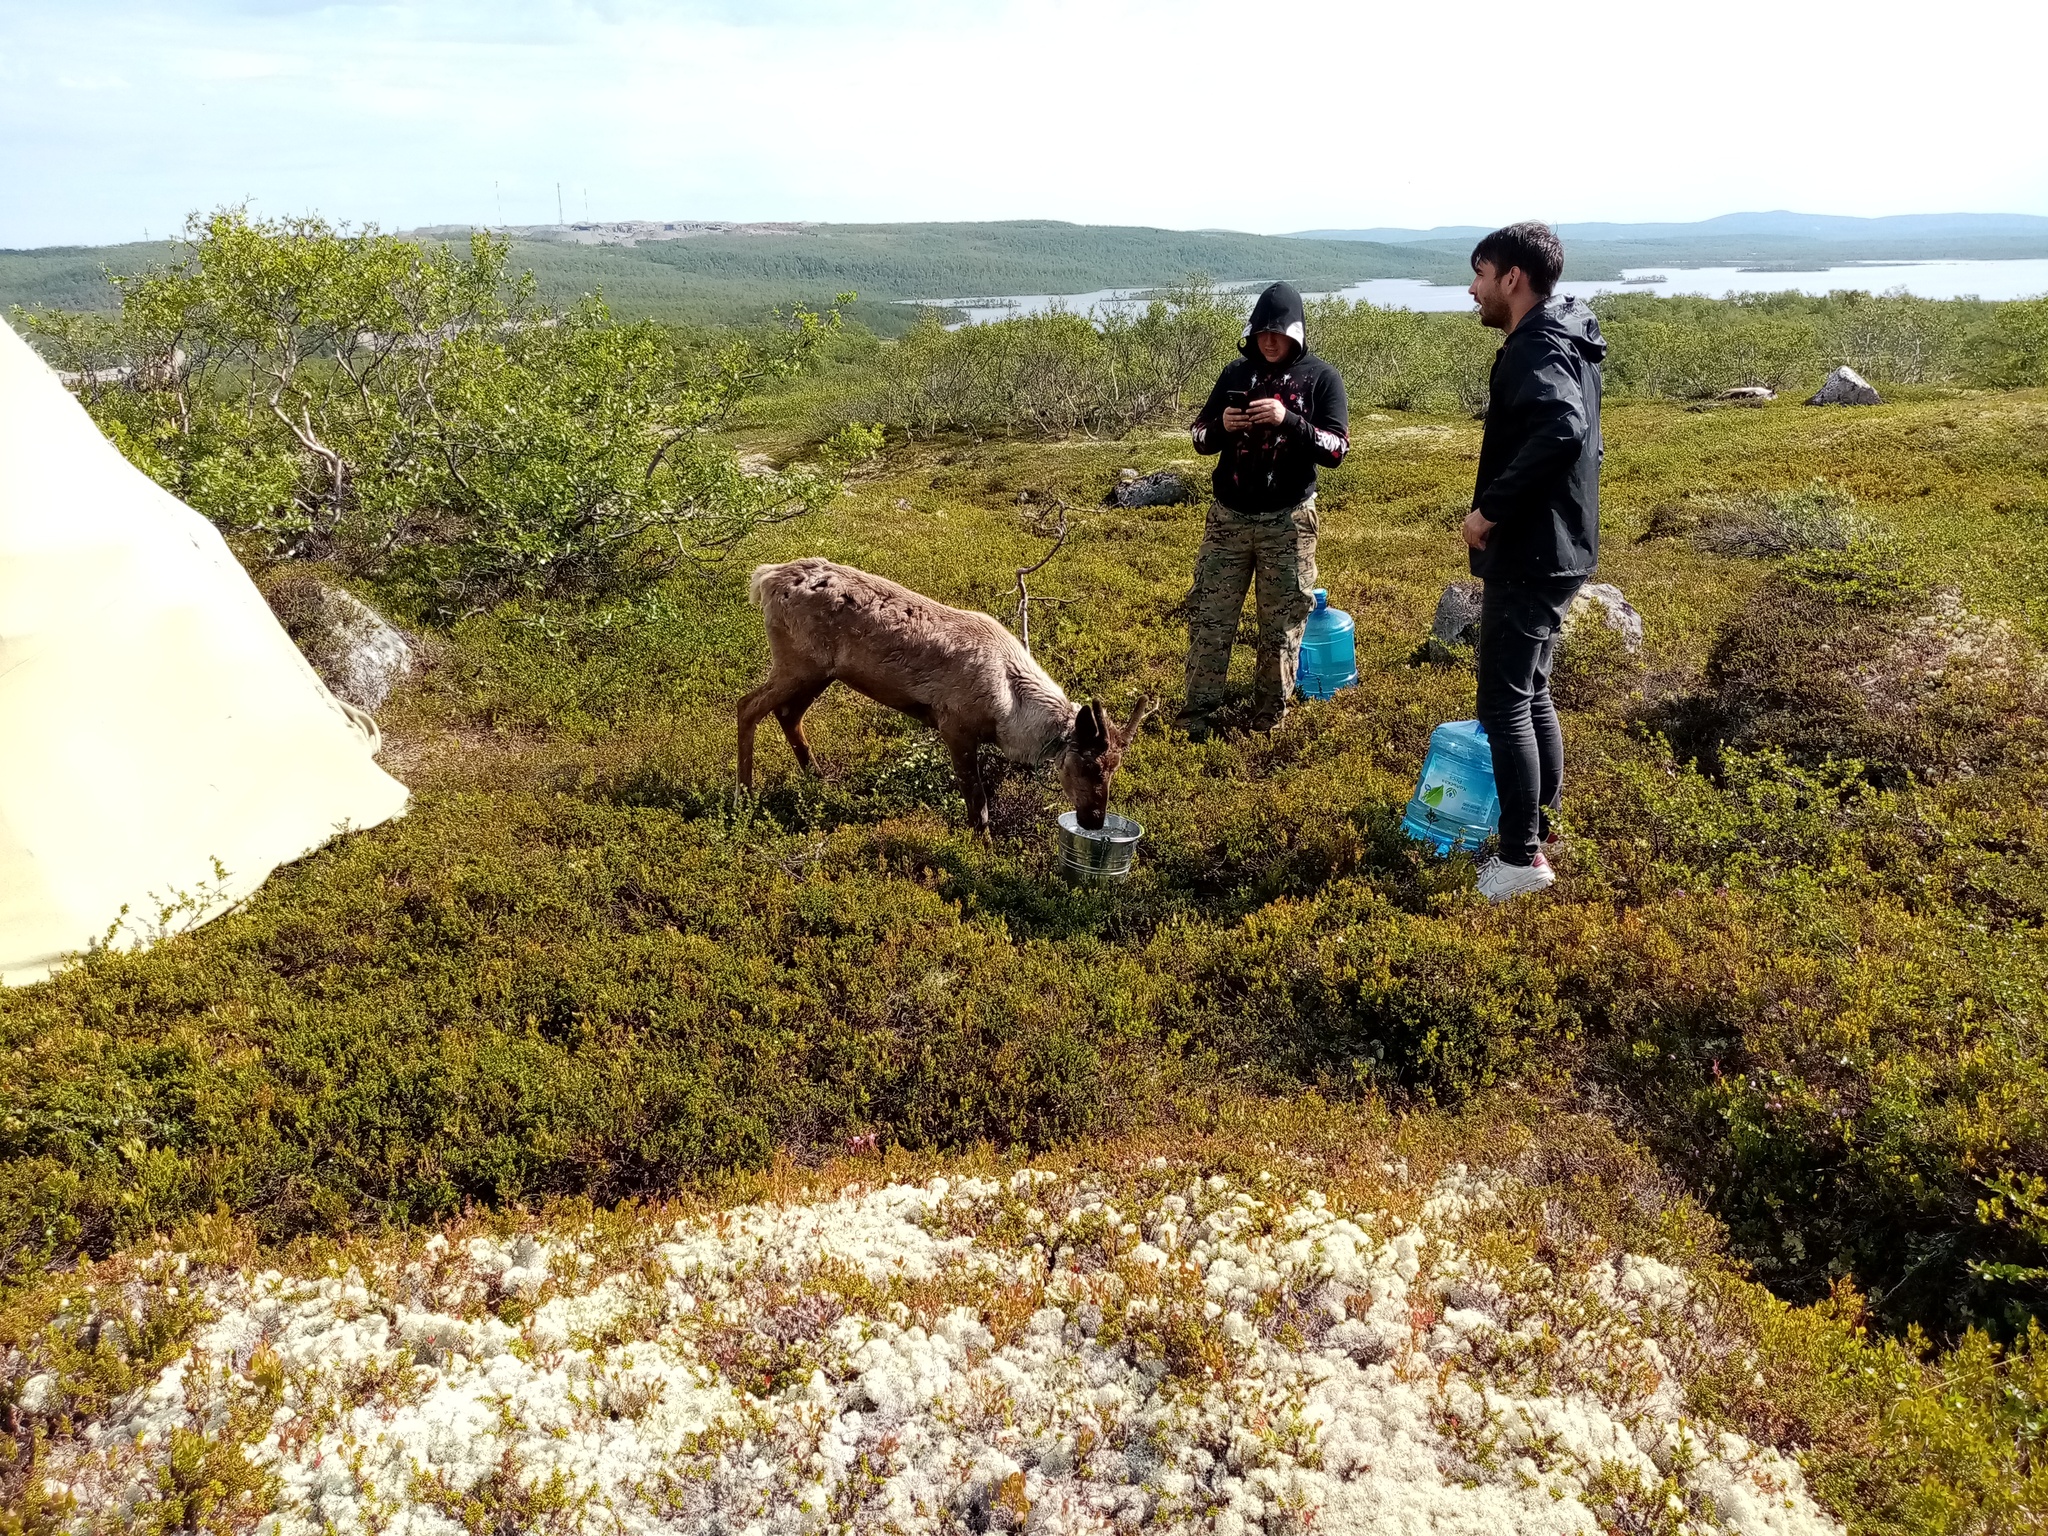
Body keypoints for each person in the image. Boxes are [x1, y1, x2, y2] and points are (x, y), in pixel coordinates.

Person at [1461, 222, 1606, 901]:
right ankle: (1540, 832)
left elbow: (1562, 428)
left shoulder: (1534, 346)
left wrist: (1490, 510)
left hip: (1532, 549)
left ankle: (1521, 860)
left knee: (1503, 704)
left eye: (1480, 274)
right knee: (1531, 692)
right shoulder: (1567, 336)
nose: (1474, 289)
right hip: (1562, 547)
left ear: (1512, 278)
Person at [1180, 282, 1349, 739]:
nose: (1270, 341)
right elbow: (1197, 437)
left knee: (1281, 625)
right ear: (1252, 333)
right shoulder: (1236, 373)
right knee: (1211, 618)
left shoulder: (1321, 378)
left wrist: (1287, 419)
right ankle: (1196, 716)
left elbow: (1336, 449)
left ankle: (1267, 718)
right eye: (1262, 333)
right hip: (1227, 520)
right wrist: (1220, 428)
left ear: (1297, 334)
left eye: (1279, 333)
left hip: (1288, 522)